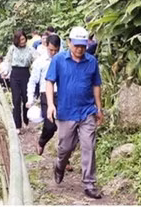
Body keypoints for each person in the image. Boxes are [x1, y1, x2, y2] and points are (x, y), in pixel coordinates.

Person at [45, 26, 104, 200]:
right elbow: (49, 82)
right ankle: (59, 165)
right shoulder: (58, 60)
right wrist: (50, 105)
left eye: (83, 46)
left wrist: (99, 108)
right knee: (66, 147)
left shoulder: (92, 61)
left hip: (87, 111)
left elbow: (96, 85)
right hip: (66, 111)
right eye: (76, 45)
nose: (79, 49)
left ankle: (89, 184)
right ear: (69, 43)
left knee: (89, 146)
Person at [27, 34, 61, 156]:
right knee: (50, 126)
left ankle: (64, 158)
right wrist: (30, 98)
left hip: (62, 94)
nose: (53, 53)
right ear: (46, 46)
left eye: (56, 50)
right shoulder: (40, 62)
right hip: (46, 94)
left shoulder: (63, 59)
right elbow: (32, 81)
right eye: (51, 50)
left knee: (64, 128)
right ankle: (42, 141)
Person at [6, 29, 34, 130]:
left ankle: (26, 121)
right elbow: (8, 61)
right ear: (17, 40)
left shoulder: (30, 49)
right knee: (16, 100)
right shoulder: (12, 49)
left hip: (25, 74)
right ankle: (17, 125)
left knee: (26, 99)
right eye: (21, 39)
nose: (23, 41)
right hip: (15, 74)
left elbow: (36, 60)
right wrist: (6, 72)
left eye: (24, 39)